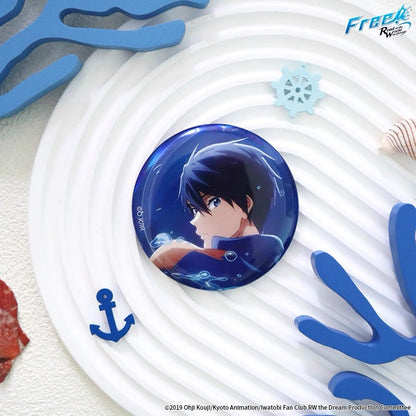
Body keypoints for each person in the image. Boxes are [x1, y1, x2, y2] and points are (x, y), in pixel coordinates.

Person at [150, 140, 284, 288]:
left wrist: (177, 253)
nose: (194, 221)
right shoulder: (268, 253)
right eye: (195, 210)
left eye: (213, 202)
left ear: (246, 204)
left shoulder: (267, 254)